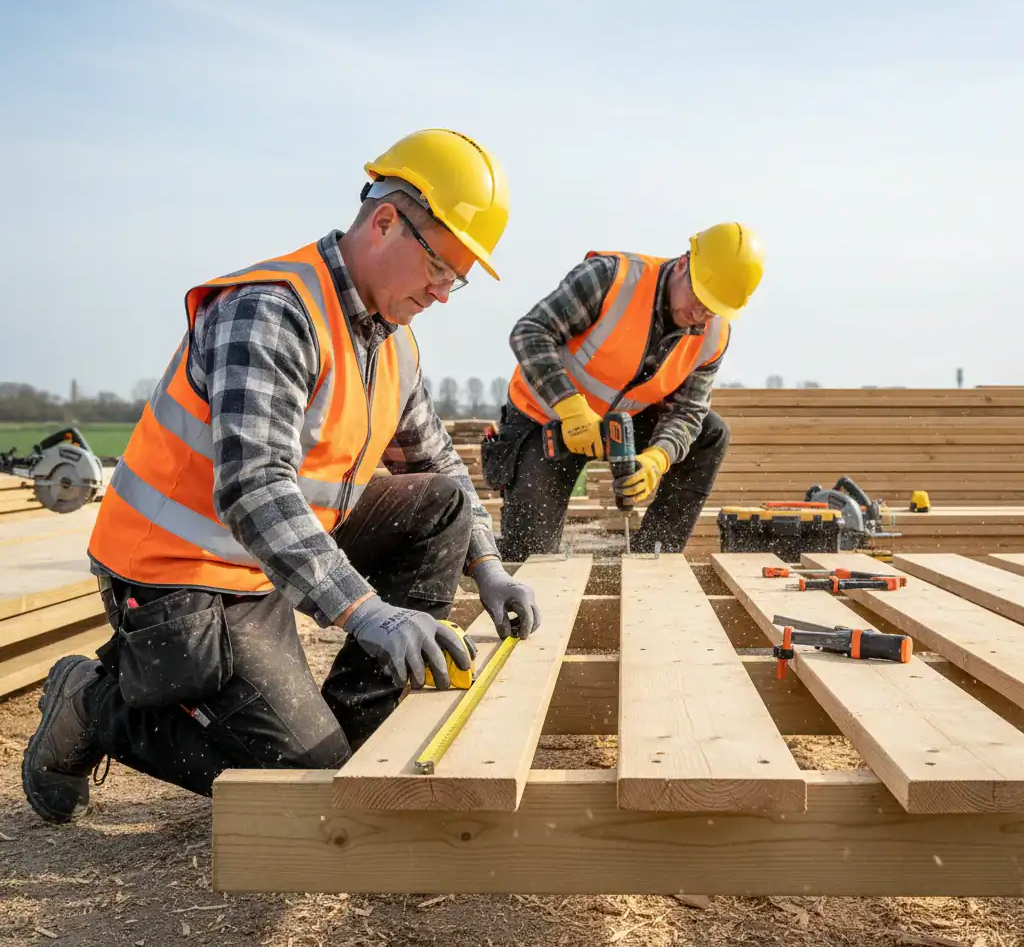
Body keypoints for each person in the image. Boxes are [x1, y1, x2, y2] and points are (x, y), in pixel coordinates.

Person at [23, 128, 540, 824]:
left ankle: (360, 732)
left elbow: (437, 463)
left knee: (441, 505)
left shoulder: (391, 340)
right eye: (439, 266)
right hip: (183, 572)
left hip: (273, 558)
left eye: (457, 278)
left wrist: (489, 567)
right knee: (304, 790)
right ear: (386, 221)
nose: (444, 292)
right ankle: (91, 703)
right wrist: (368, 612)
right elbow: (255, 487)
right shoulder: (272, 311)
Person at [484, 222, 764, 560]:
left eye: (712, 308)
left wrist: (657, 458)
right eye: (698, 297)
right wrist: (571, 408)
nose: (698, 314)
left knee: (710, 434)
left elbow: (689, 411)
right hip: (544, 418)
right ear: (682, 264)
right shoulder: (610, 279)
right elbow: (530, 333)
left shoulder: (714, 336)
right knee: (529, 559)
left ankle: (654, 557)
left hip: (622, 422)